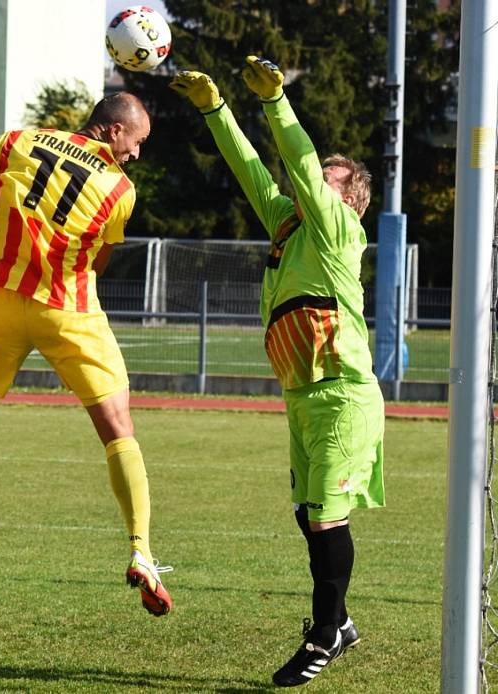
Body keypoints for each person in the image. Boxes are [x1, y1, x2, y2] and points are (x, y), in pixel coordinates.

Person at [0, 92, 172, 617]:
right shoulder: (119, 187)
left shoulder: (18, 139)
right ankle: (141, 548)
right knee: (119, 429)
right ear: (114, 132)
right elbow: (102, 258)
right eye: (137, 143)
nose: (136, 155)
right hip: (66, 307)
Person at [171, 59, 385, 686]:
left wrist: (278, 104)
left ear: (346, 197)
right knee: (306, 513)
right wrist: (216, 109)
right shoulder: (291, 225)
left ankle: (324, 637)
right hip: (302, 395)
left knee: (324, 517)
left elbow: (295, 158)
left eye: (324, 178)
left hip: (343, 393)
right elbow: (250, 169)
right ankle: (340, 621)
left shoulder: (340, 228)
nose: (308, 180)